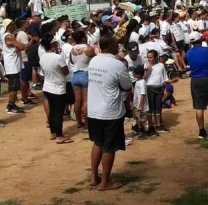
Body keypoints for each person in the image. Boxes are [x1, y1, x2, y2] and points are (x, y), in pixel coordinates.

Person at [87, 34, 133, 191]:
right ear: (112, 47)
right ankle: (105, 182)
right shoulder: (117, 64)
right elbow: (127, 85)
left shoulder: (93, 61)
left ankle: (94, 177)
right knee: (109, 147)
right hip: (110, 111)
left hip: (93, 110)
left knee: (97, 143)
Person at [144, 51, 176, 134]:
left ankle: (158, 126)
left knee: (158, 107)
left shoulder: (161, 65)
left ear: (155, 57)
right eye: (148, 57)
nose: (149, 59)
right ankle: (151, 126)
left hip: (159, 88)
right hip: (150, 88)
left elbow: (164, 78)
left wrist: (171, 81)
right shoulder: (146, 65)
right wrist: (147, 70)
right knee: (150, 108)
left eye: (151, 57)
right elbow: (144, 78)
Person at [70, 31, 91, 129]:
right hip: (86, 73)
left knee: (77, 100)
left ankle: (79, 122)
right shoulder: (88, 49)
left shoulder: (72, 49)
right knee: (86, 101)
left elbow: (71, 61)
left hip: (75, 75)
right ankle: (87, 123)